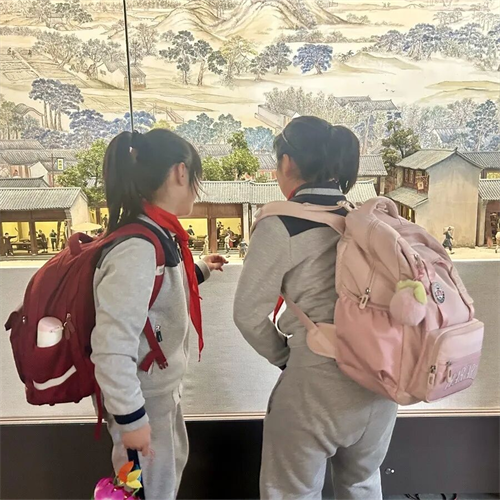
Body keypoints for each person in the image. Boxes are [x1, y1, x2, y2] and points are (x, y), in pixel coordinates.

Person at [234, 117, 398, 500]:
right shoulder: (365, 220)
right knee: (361, 483)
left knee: (292, 492)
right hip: (380, 381)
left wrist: (284, 357)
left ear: (287, 162)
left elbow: (247, 314)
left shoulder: (282, 224)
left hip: (315, 385)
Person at [91, 129, 227, 500]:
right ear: (181, 172)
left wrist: (200, 269)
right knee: (147, 492)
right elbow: (111, 347)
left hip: (156, 398)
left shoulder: (155, 234)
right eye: (196, 177)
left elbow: (157, 294)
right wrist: (131, 419)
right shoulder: (137, 248)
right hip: (143, 405)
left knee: (158, 486)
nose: (196, 188)